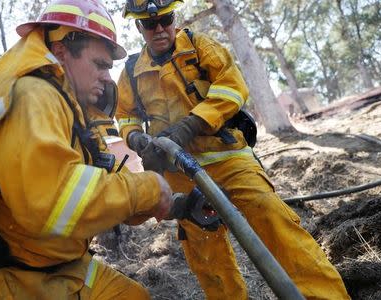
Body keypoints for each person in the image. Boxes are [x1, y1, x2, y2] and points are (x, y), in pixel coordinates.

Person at [116, 0, 351, 299]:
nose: (160, 28)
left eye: (166, 19)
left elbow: (232, 88)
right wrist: (136, 138)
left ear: (174, 17)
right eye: (150, 24)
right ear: (139, 26)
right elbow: (125, 115)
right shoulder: (131, 71)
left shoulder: (201, 47)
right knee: (205, 251)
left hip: (228, 159)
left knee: (272, 218)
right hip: (179, 174)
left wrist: (193, 124)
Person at [0, 0, 174, 299]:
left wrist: (168, 203)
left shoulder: (71, 109)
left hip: (61, 266)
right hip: (13, 280)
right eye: (100, 64)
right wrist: (146, 189)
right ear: (63, 51)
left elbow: (96, 194)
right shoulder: (33, 97)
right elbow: (56, 203)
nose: (107, 77)